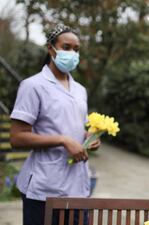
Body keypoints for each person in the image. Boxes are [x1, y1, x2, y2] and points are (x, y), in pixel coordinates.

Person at [10, 24, 100, 225]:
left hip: (77, 187)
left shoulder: (80, 90)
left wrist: (88, 139)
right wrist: (63, 140)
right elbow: (17, 137)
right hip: (45, 187)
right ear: (51, 48)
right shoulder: (33, 86)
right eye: (66, 47)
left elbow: (74, 127)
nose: (72, 54)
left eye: (76, 50)